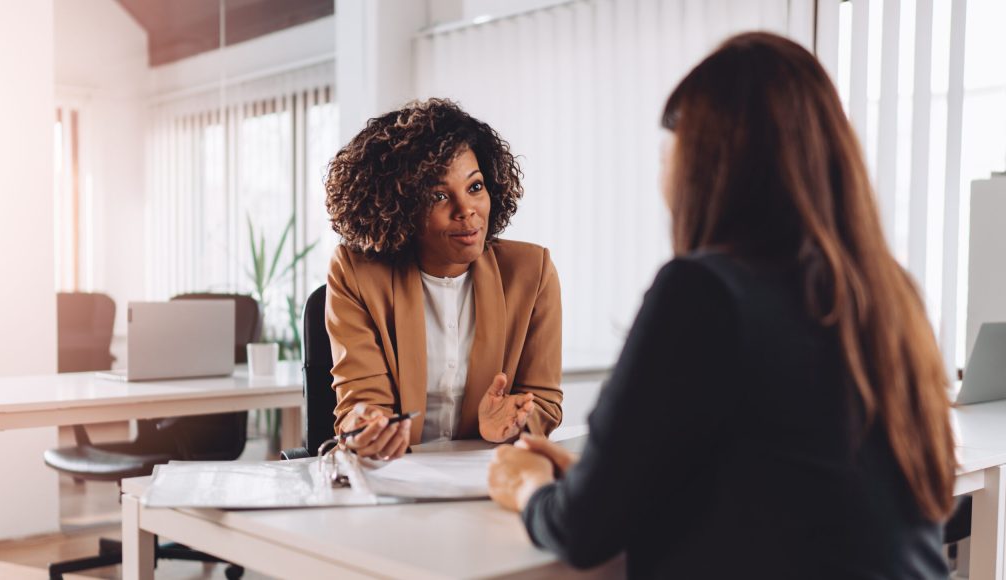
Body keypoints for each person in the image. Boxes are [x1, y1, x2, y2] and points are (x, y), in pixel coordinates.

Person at [488, 32, 955, 578]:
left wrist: (529, 488)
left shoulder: (702, 292)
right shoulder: (888, 292)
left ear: (705, 160)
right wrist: (597, 478)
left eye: (670, 146)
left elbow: (584, 530)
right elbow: (776, 484)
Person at [324, 98, 563, 460]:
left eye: (475, 187)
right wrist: (367, 425)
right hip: (395, 477)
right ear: (399, 207)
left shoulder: (531, 272)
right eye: (438, 195)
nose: (465, 209)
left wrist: (514, 422)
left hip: (484, 480)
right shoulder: (356, 273)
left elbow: (543, 401)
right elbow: (360, 400)